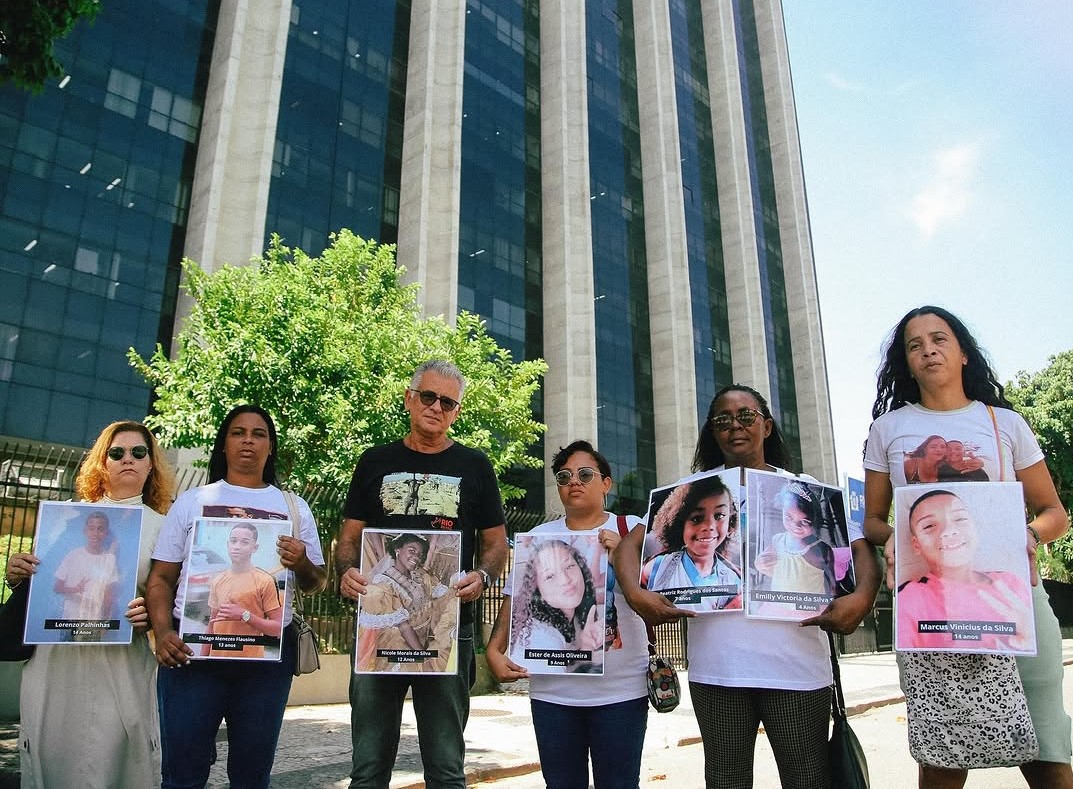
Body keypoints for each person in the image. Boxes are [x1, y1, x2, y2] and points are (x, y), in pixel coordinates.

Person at [615, 384, 881, 788]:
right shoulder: (693, 491)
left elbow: (863, 552)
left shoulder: (802, 487)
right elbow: (628, 548)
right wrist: (637, 597)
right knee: (725, 780)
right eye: (723, 419)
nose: (734, 426)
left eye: (746, 416)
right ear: (712, 431)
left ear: (767, 426)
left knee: (807, 778)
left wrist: (860, 600)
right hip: (719, 670)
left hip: (798, 670)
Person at [863, 305, 1072, 788]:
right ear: (906, 363)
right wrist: (894, 535)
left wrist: (1029, 533)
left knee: (1047, 753)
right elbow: (873, 520)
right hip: (931, 609)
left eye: (939, 339)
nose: (928, 350)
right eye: (914, 345)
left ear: (962, 354)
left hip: (1015, 600)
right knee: (943, 755)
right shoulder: (888, 430)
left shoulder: (1005, 424)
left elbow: (1054, 512)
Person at [337, 360, 509, 789]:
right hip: (378, 633)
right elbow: (348, 539)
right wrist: (346, 572)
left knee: (447, 768)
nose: (436, 407)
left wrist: (483, 577)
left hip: (449, 629)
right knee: (369, 768)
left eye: (448, 402)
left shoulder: (475, 464)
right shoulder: (375, 460)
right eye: (428, 396)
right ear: (409, 398)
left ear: (456, 411)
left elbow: (496, 543)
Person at [146, 405, 327, 789]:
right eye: (238, 432)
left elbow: (317, 583)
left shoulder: (295, 508)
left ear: (271, 446)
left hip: (265, 661)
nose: (248, 440)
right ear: (223, 445)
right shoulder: (191, 502)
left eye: (259, 433)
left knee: (251, 775)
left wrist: (303, 564)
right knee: (182, 773)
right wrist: (162, 633)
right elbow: (161, 578)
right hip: (193, 656)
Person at [6, 420, 177, 788]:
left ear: (151, 464)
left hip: (122, 660)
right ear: (102, 462)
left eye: (138, 452)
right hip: (59, 658)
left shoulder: (166, 527)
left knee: (120, 755)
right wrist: (17, 571)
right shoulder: (67, 518)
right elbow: (45, 583)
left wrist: (151, 616)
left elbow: (172, 599)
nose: (127, 459)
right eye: (116, 453)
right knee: (55, 751)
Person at [487, 440, 650, 789]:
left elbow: (655, 599)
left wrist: (621, 558)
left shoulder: (632, 529)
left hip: (620, 693)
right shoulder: (538, 537)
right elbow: (515, 600)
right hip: (553, 695)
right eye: (564, 476)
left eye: (585, 474)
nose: (573, 481)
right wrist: (494, 650)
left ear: (606, 483)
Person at [897, 489, 1033, 652]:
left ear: (975, 527)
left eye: (960, 519)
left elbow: (1029, 647)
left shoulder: (1010, 584)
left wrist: (1028, 638)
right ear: (916, 544)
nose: (948, 531)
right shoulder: (910, 597)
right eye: (929, 526)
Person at [356, 532, 455, 673]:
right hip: (402, 645)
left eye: (420, 554)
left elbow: (441, 598)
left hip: (424, 640)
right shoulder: (385, 584)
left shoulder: (421, 574)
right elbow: (404, 627)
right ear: (397, 550)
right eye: (412, 551)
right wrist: (422, 656)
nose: (416, 557)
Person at [642, 473, 742, 611]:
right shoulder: (657, 568)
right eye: (697, 518)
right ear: (678, 523)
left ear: (730, 520)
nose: (709, 526)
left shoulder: (735, 579)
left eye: (719, 515)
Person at [508, 536, 603, 673]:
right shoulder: (541, 636)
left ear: (581, 568)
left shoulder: (571, 621)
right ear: (536, 589)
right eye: (550, 576)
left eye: (569, 566)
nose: (565, 580)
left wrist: (586, 648)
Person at [203, 522, 283, 658]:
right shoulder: (218, 580)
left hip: (250, 663)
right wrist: (202, 658)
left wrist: (245, 615)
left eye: (244, 542)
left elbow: (277, 628)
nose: (237, 547)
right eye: (233, 541)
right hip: (216, 660)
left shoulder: (264, 580)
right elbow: (212, 625)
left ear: (255, 547)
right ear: (228, 544)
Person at [755, 481, 835, 596]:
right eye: (788, 517)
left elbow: (832, 584)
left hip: (811, 608)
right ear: (781, 510)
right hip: (779, 606)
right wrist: (760, 563)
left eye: (804, 521)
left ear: (815, 520)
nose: (795, 526)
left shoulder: (822, 548)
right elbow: (770, 569)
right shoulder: (777, 540)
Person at [52, 510, 120, 623]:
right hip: (69, 620)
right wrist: (76, 590)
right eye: (91, 529)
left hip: (94, 622)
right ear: (85, 531)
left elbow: (108, 596)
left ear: (106, 533)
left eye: (100, 529)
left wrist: (105, 622)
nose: (95, 533)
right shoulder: (73, 555)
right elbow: (57, 587)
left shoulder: (110, 559)